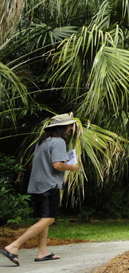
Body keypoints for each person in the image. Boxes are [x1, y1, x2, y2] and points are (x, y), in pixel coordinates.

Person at [1, 113, 79, 266]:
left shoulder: (43, 141)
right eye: (70, 125)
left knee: (43, 218)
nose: (71, 128)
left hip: (37, 185)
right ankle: (13, 246)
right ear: (62, 127)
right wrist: (72, 167)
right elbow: (57, 165)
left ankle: (42, 251)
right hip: (50, 185)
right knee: (49, 218)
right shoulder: (58, 142)